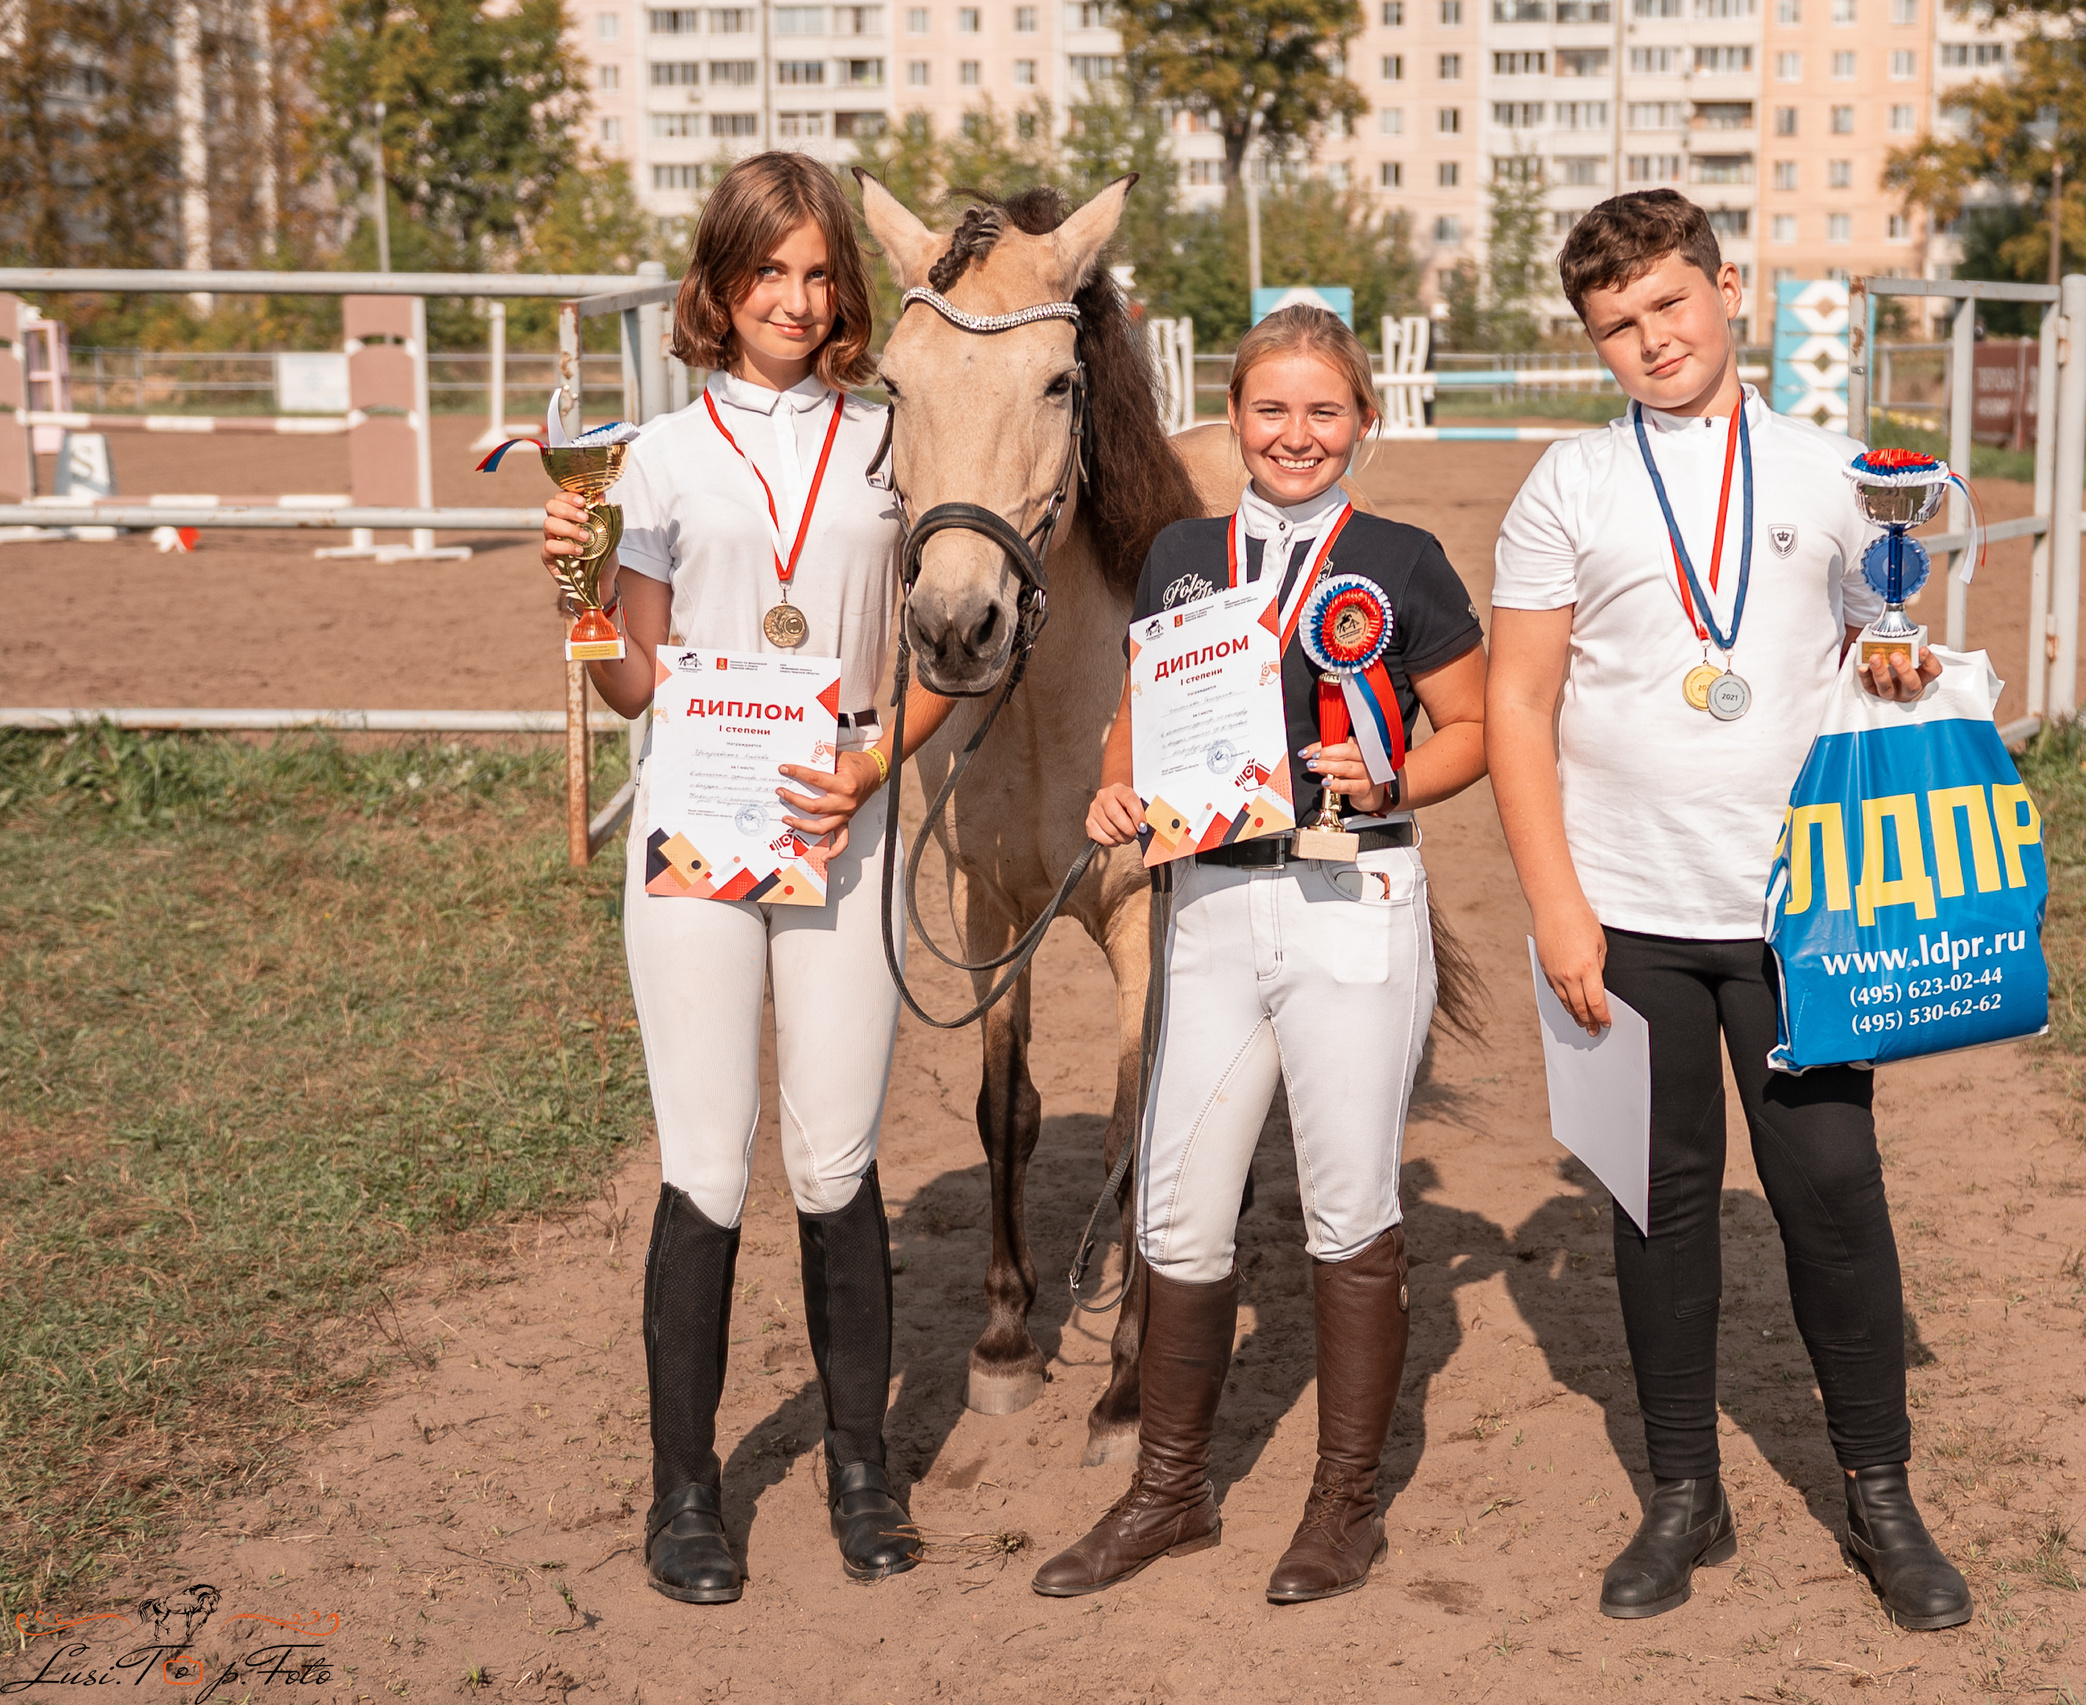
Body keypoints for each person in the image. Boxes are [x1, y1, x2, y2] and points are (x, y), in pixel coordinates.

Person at [1484, 190, 1971, 1631]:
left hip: (1802, 912)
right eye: (1618, 324)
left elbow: (1884, 633)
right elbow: (1518, 702)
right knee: (1659, 1206)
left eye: (1671, 304)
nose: (1653, 338)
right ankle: (1683, 1494)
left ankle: (1880, 1495)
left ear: (1731, 287)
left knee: (1831, 1193)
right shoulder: (1566, 485)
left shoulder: (1836, 475)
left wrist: (1895, 662)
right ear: (1594, 342)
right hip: (1626, 912)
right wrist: (1558, 906)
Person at [538, 151, 956, 1605]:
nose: (794, 297)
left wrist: (876, 762)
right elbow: (634, 682)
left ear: (843, 288)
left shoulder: (893, 440)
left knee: (835, 1158)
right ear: (716, 286)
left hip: (842, 808)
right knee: (707, 1158)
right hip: (700, 825)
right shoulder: (650, 456)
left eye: (817, 271)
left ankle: (858, 1467)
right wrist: (584, 597)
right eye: (765, 270)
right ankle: (685, 1494)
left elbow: (952, 655)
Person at [1033, 305, 1489, 1604]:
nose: (1297, 434)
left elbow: (1472, 726)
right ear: (1231, 419)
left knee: (1347, 1202)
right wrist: (1113, 791)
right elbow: (1138, 712)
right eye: (1271, 411)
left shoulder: (1401, 561)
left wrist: (1394, 767)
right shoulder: (1183, 552)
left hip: (1352, 907)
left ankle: (1343, 1508)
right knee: (1180, 1200)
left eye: (1324, 411)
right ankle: (1168, 1492)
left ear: (1364, 422)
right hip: (1211, 912)